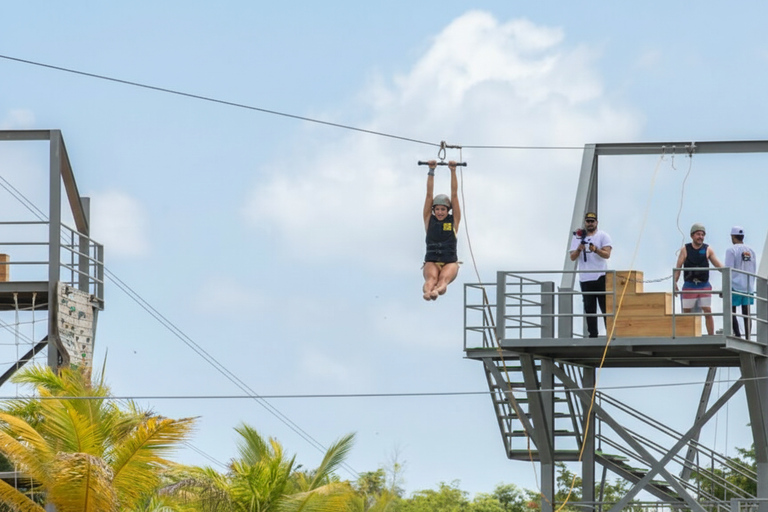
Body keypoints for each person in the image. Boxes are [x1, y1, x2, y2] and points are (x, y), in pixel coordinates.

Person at [673, 223, 723, 335]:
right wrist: (674, 282)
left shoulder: (707, 249)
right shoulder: (685, 249)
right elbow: (678, 267)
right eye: (698, 234)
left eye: (702, 234)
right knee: (686, 312)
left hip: (703, 285)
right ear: (692, 236)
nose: (700, 237)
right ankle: (686, 334)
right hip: (689, 285)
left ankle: (711, 335)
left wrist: (727, 272)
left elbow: (718, 265)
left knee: (707, 310)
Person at [569, 212, 613, 338]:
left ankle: (609, 333)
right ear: (585, 222)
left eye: (592, 221)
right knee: (589, 308)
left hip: (600, 276)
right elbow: (572, 257)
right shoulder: (578, 237)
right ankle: (593, 334)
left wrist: (596, 250)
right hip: (585, 277)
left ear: (596, 223)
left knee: (605, 306)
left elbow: (607, 254)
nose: (590, 223)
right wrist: (579, 249)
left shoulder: (603, 236)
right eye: (588, 221)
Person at [422, 160, 460, 301]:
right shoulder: (428, 220)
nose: (439, 212)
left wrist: (453, 170)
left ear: (447, 210)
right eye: (437, 209)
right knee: (431, 279)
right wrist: (431, 171)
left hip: (449, 261)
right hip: (432, 260)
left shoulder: (453, 220)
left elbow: (454, 195)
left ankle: (438, 290)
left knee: (443, 280)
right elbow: (428, 196)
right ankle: (428, 292)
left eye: (443, 209)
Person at [724, 226, 756, 339]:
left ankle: (737, 335)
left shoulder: (731, 250)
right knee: (746, 313)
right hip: (748, 286)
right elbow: (754, 268)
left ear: (733, 236)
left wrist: (725, 287)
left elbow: (728, 269)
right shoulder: (751, 250)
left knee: (731, 311)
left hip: (735, 285)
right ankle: (748, 337)